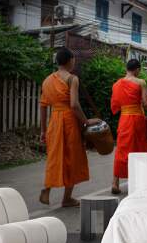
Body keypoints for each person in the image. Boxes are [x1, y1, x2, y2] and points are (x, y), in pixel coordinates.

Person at [39, 47, 101, 207]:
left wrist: (43, 130)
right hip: (69, 121)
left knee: (55, 156)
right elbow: (74, 105)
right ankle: (66, 198)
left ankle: (47, 187)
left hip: (54, 122)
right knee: (72, 158)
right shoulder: (72, 79)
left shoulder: (47, 81)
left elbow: (43, 106)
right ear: (69, 60)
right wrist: (86, 121)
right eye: (73, 59)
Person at [111, 59, 147, 194]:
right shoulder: (140, 82)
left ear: (127, 69)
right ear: (137, 70)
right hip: (137, 119)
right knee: (138, 148)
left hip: (124, 119)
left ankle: (115, 182)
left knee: (122, 149)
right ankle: (139, 181)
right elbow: (146, 103)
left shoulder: (117, 84)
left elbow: (115, 106)